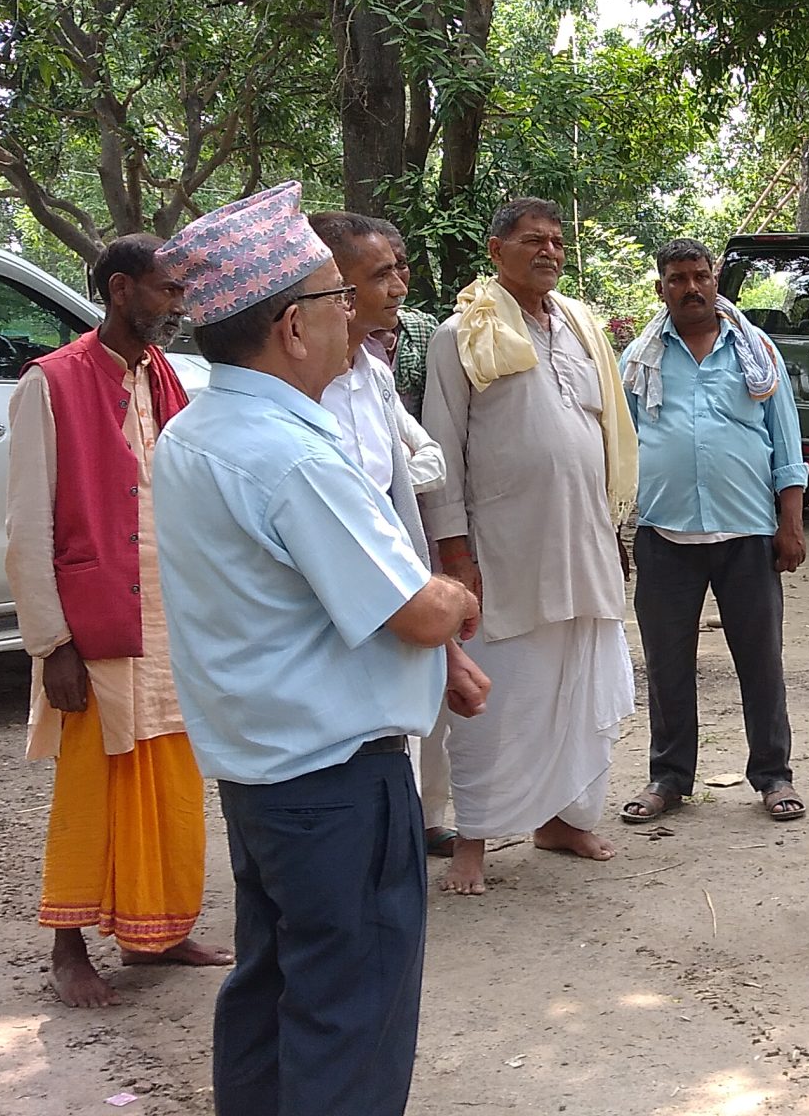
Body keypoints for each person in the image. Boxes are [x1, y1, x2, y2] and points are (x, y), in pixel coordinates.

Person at [151, 182, 488, 1116]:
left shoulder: (201, 431)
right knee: (351, 1016)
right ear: (294, 326)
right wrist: (455, 596)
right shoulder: (291, 455)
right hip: (338, 780)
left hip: (267, 774)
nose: (354, 315)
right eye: (339, 296)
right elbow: (414, 611)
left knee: (270, 993)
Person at [6, 233, 231, 1008]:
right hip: (97, 619)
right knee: (94, 784)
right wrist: (52, 645)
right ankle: (68, 947)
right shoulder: (51, 383)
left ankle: (156, 932)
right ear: (119, 289)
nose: (178, 305)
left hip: (171, 616)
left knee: (172, 775)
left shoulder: (164, 375)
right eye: (167, 290)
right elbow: (28, 529)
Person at [421, 197, 638, 895]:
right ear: (496, 250)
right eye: (532, 241)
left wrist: (616, 531)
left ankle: (561, 821)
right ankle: (474, 842)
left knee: (577, 686)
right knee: (499, 696)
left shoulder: (578, 327)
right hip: (503, 551)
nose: (548, 251)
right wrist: (455, 555)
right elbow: (442, 449)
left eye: (556, 241)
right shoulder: (460, 334)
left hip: (585, 540)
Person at [617, 237, 809, 826]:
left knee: (761, 661)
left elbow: (786, 442)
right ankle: (669, 778)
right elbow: (619, 450)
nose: (692, 287)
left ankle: (773, 776)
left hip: (748, 533)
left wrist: (791, 524)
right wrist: (615, 530)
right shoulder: (639, 359)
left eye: (700, 275)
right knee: (667, 664)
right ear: (661, 288)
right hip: (664, 535)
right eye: (678, 278)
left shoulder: (755, 351)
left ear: (716, 280)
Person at [306, 211, 454, 856]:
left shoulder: (374, 376)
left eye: (399, 271)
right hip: (328, 618)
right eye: (382, 274)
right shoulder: (300, 392)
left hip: (389, 594)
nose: (399, 287)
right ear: (335, 289)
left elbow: (423, 465)